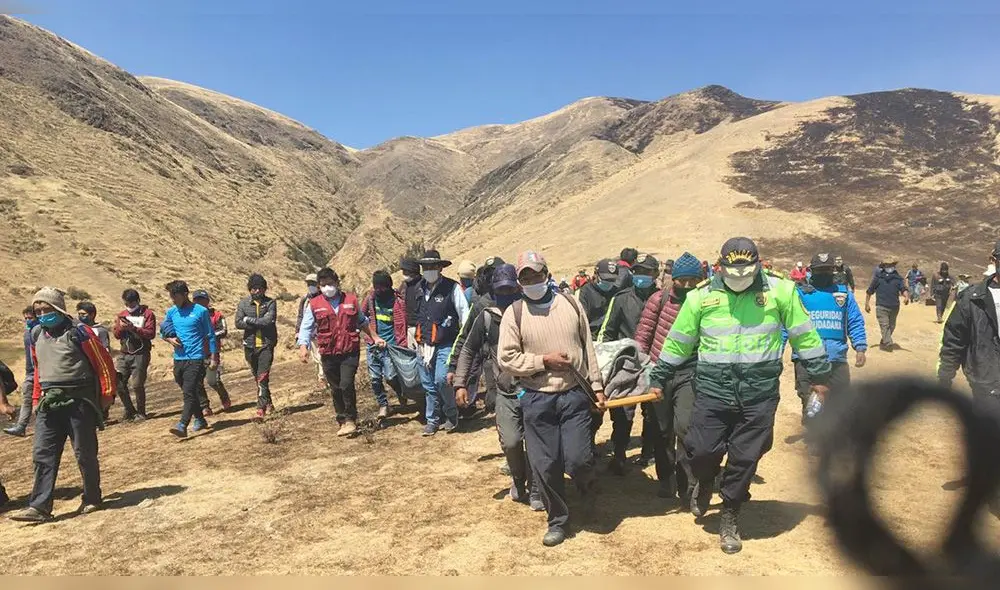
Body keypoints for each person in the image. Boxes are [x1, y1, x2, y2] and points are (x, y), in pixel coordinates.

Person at [649, 238, 831, 554]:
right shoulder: (701, 296)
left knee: (745, 457)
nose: (739, 275)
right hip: (712, 391)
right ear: (720, 266)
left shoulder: (781, 291)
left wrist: (819, 376)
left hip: (758, 393)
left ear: (758, 264)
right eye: (732, 270)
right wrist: (659, 377)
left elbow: (804, 335)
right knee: (701, 450)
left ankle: (730, 514)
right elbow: (678, 342)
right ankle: (704, 480)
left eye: (746, 269)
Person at [498, 250, 607, 547]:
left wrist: (596, 386)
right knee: (546, 466)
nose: (532, 280)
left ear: (547, 274)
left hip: (573, 394)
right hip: (536, 398)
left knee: (579, 459)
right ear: (520, 282)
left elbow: (588, 348)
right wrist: (542, 361)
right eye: (526, 277)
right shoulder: (514, 313)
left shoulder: (571, 304)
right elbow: (507, 358)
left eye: (536, 274)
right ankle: (558, 520)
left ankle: (587, 490)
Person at [9, 287, 116, 522]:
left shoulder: (80, 332)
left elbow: (104, 363)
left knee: (84, 453)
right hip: (49, 403)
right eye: (38, 310)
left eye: (46, 309)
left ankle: (92, 497)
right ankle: (39, 507)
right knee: (42, 453)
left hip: (79, 402)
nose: (42, 314)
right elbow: (38, 370)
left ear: (58, 308)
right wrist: (37, 399)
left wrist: (107, 394)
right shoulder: (36, 334)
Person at [454, 263, 544, 512]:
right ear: (494, 291)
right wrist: (461, 382)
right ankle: (519, 479)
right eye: (501, 292)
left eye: (510, 291)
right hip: (505, 392)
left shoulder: (533, 314)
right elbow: (469, 348)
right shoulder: (486, 317)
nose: (506, 297)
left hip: (534, 389)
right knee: (512, 442)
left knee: (537, 442)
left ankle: (537, 487)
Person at [634, 252, 704, 501]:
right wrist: (642, 367)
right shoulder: (659, 299)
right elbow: (644, 334)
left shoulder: (704, 302)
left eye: (693, 281)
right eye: (682, 280)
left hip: (689, 372)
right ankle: (666, 479)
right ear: (673, 279)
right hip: (659, 371)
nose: (687, 286)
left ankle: (687, 481)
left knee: (684, 426)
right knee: (661, 429)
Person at [597, 253, 660, 475]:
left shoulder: (664, 298)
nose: (641, 276)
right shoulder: (621, 299)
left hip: (656, 365)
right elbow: (607, 333)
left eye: (647, 272)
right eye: (637, 271)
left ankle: (648, 452)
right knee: (623, 414)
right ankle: (620, 454)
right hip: (626, 366)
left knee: (653, 414)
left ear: (656, 274)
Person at [792, 254, 867, 435]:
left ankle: (830, 435)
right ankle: (814, 436)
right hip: (806, 358)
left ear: (833, 271)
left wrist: (860, 346)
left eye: (827, 270)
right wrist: (778, 347)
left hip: (836, 357)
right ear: (811, 271)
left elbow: (854, 320)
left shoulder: (843, 293)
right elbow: (787, 321)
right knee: (810, 400)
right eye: (819, 270)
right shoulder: (800, 294)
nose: (824, 274)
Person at [299, 268, 379, 436]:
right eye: (323, 285)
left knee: (346, 384)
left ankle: (351, 419)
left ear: (337, 283)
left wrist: (375, 337)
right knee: (335, 388)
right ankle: (341, 419)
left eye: (330, 283)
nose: (327, 287)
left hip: (349, 350)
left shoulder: (350, 300)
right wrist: (303, 346)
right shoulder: (314, 304)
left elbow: (362, 322)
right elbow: (306, 327)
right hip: (328, 352)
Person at [413, 250, 470, 436]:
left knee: (442, 380)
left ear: (439, 267)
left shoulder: (451, 288)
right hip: (424, 344)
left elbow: (465, 315)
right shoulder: (418, 289)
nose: (428, 270)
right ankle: (432, 420)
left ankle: (452, 415)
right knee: (428, 384)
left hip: (446, 342)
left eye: (432, 266)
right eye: (425, 267)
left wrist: (463, 340)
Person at [939, 241, 1000, 411]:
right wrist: (945, 375)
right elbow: (954, 338)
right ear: (993, 260)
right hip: (987, 382)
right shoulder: (971, 299)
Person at [446, 256, 506, 417]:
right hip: (491, 362)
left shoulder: (521, 301)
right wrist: (454, 367)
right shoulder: (481, 305)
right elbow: (465, 339)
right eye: (491, 275)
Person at [161, 281, 219, 438]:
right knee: (189, 391)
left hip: (196, 358)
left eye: (175, 296)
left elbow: (210, 335)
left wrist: (214, 357)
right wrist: (170, 340)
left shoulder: (200, 311)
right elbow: (163, 332)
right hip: (179, 358)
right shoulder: (172, 312)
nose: (173, 300)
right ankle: (200, 419)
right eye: (171, 296)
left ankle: (182, 425)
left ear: (185, 295)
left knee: (188, 391)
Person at [361, 270, 409, 420]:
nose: (380, 290)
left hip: (391, 346)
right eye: (377, 287)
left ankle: (402, 392)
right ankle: (383, 404)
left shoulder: (397, 302)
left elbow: (402, 324)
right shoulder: (370, 300)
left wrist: (401, 344)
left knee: (390, 376)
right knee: (374, 378)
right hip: (373, 344)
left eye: (383, 287)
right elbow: (361, 317)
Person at [235, 274, 279, 419]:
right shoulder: (243, 304)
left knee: (262, 376)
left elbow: (268, 321)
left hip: (266, 344)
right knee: (257, 377)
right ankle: (268, 402)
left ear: (264, 289)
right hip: (249, 345)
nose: (257, 291)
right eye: (254, 288)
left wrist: (248, 319)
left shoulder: (271, 302)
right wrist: (255, 321)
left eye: (260, 288)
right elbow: (238, 323)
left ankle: (260, 409)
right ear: (249, 289)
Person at [110, 289, 157, 422]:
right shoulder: (122, 315)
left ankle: (141, 412)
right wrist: (121, 327)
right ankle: (129, 410)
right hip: (124, 353)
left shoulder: (147, 314)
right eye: (127, 303)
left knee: (137, 384)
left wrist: (134, 328)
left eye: (131, 303)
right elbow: (116, 334)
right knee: (118, 382)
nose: (129, 306)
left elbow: (150, 333)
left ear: (137, 301)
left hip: (140, 353)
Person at [193, 290, 232, 415]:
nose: (199, 302)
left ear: (207, 301)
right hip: (196, 353)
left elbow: (223, 330)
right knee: (197, 382)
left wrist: (209, 335)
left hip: (211, 352)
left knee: (212, 380)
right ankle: (205, 406)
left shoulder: (216, 315)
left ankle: (224, 396)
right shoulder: (192, 315)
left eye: (201, 299)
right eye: (196, 300)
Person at [4, 307, 38, 437]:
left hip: (43, 371)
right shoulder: (27, 333)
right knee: (27, 397)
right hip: (30, 371)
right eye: (26, 319)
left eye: (31, 318)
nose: (28, 321)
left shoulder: (42, 331)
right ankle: (21, 426)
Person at [865, 259, 908, 351]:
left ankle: (884, 339)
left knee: (892, 326)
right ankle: (888, 343)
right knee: (884, 325)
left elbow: (903, 289)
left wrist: (906, 297)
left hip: (894, 307)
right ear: (884, 267)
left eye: (891, 265)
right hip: (881, 306)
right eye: (887, 266)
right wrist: (867, 303)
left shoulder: (898, 279)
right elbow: (869, 291)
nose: (889, 267)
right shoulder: (878, 278)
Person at [578, 259, 626, 338]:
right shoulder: (584, 292)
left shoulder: (617, 293)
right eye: (605, 279)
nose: (609, 282)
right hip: (591, 338)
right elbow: (581, 321)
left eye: (612, 280)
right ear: (596, 275)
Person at [295, 273, 324, 387]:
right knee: (316, 357)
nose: (310, 286)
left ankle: (323, 378)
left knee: (322, 356)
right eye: (308, 284)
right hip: (311, 334)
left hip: (323, 332)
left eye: (312, 283)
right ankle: (321, 377)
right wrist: (298, 331)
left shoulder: (324, 297)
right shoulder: (305, 299)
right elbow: (301, 316)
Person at [400, 258, 423, 350]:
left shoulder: (424, 284)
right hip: (408, 327)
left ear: (413, 271)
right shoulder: (403, 286)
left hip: (421, 327)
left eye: (406, 271)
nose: (404, 274)